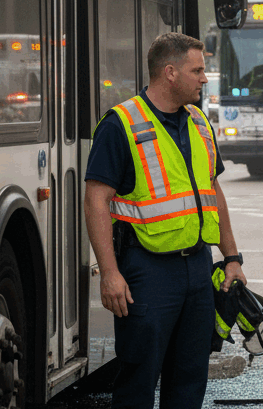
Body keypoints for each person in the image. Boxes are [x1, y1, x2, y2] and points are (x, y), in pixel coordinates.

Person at [83, 32, 246, 409]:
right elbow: (95, 200)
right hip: (147, 270)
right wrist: (109, 272)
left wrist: (233, 258)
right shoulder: (120, 123)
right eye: (198, 70)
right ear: (170, 73)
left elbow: (213, 192)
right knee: (138, 380)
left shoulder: (199, 122)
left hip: (198, 268)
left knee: (190, 379)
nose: (205, 78)